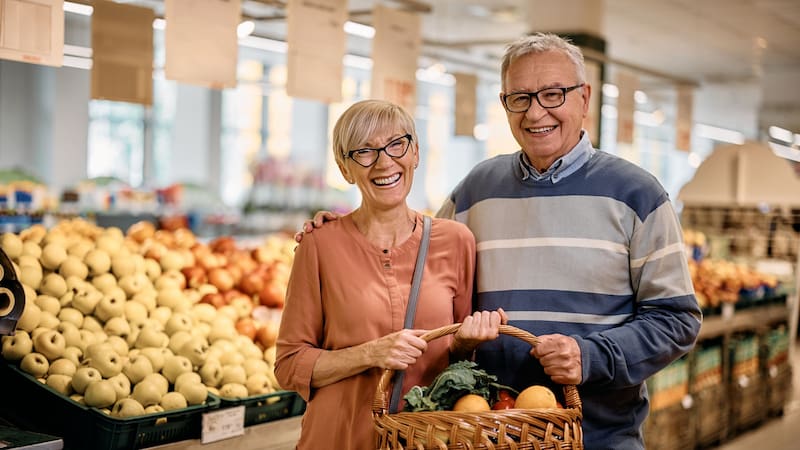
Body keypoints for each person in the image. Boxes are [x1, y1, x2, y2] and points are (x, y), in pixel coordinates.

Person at [296, 33, 702, 450]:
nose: (535, 112)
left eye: (552, 94)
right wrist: (342, 231)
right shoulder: (474, 192)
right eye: (520, 98)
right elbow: (418, 266)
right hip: (483, 433)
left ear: (585, 98)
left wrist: (591, 356)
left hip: (596, 437)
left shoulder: (638, 195)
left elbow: (677, 320)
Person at [274, 99, 504, 450]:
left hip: (424, 440)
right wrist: (369, 353)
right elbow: (289, 365)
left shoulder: (456, 241)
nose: (385, 162)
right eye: (364, 151)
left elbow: (459, 362)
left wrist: (467, 342)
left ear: (415, 154)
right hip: (338, 438)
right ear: (345, 168)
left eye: (397, 145)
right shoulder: (319, 245)